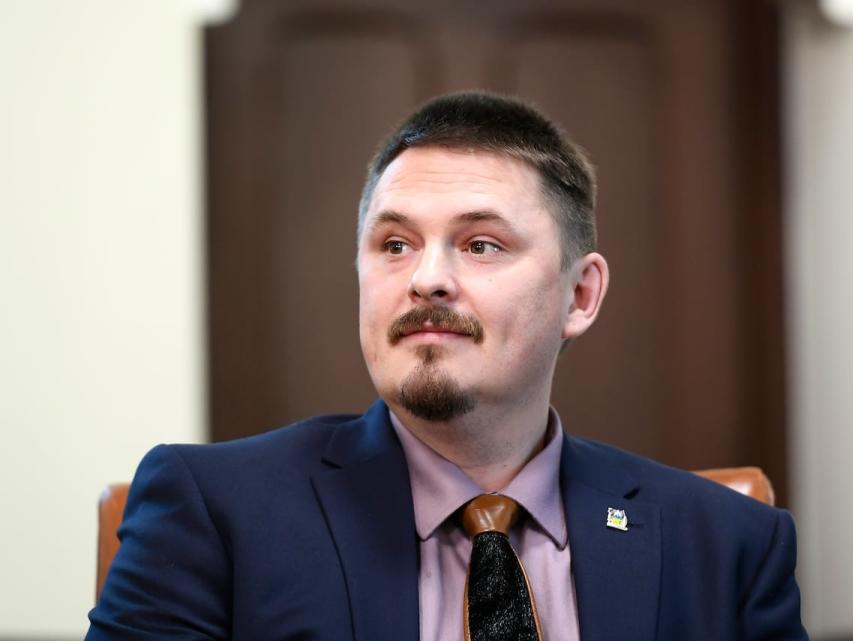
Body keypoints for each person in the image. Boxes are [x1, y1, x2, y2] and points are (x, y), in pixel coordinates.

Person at [87, 92, 807, 640]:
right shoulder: (213, 516)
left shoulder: (730, 546)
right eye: (395, 245)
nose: (426, 279)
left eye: (481, 244)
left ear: (580, 295)